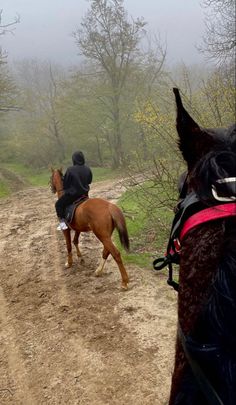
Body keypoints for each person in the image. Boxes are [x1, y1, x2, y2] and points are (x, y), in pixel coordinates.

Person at [55, 151, 93, 230]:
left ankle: (62, 223)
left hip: (73, 196)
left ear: (74, 159)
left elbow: (65, 184)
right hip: (85, 195)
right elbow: (89, 181)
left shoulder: (70, 169)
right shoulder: (87, 169)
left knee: (58, 204)